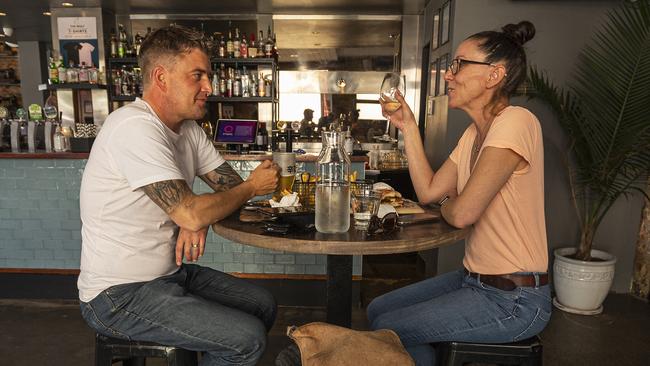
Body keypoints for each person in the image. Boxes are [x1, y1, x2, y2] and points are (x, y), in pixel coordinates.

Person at [78, 25, 280, 366]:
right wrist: (207, 207)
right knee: (246, 340)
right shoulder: (134, 127)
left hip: (168, 274)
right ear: (161, 77)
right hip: (117, 295)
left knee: (263, 304)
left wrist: (198, 215)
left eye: (209, 76)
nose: (209, 87)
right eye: (197, 76)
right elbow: (215, 201)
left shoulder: (187, 129)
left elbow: (224, 189)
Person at [368, 21, 551, 365]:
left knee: (389, 327)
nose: (449, 75)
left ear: (494, 75)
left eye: (459, 64)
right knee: (379, 309)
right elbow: (429, 192)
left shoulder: (516, 121)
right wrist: (408, 127)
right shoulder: (472, 134)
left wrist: (451, 203)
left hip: (514, 299)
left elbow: (463, 213)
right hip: (474, 280)